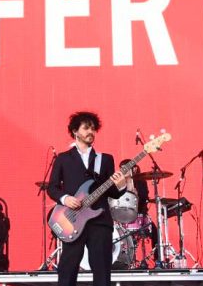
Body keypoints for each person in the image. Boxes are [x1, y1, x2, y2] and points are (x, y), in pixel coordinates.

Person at [47, 111, 126, 286]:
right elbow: (52, 187)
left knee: (102, 272)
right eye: (86, 128)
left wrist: (121, 185)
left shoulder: (105, 159)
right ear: (75, 131)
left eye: (93, 128)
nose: (91, 131)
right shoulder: (63, 158)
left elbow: (112, 192)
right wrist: (65, 198)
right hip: (72, 220)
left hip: (100, 222)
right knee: (67, 271)